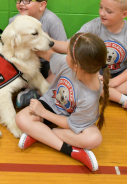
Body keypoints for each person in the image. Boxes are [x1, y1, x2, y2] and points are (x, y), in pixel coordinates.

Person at [52, 0, 127, 120]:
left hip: (120, 73)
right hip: (97, 73)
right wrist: (50, 42)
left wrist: (113, 83)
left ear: (124, 14)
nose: (102, 13)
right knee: (87, 80)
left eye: (108, 11)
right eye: (101, 7)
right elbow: (71, 45)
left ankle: (104, 92)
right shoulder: (93, 26)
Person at [15, 33, 109, 171]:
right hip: (52, 105)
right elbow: (45, 53)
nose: (65, 56)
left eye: (68, 53)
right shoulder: (66, 63)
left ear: (77, 66)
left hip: (69, 120)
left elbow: (69, 124)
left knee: (94, 139)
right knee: (21, 118)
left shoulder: (90, 96)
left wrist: (43, 113)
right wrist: (29, 40)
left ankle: (41, 135)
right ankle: (71, 150)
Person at [10, 0, 67, 108]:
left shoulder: (52, 21)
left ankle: (38, 93)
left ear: (42, 5)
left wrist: (47, 43)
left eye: (26, 0)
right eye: (19, 0)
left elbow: (62, 50)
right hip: (27, 63)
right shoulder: (15, 21)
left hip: (46, 63)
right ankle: (25, 89)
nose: (20, 4)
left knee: (61, 69)